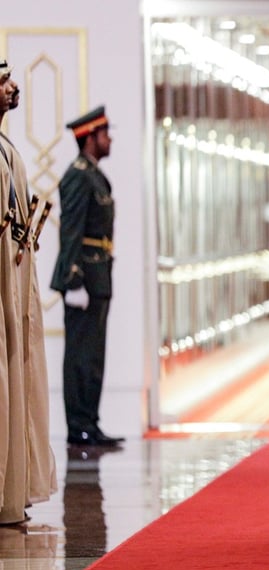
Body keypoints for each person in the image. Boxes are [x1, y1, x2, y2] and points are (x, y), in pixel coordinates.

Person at [0, 57, 56, 526]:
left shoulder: (8, 150)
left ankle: (11, 490)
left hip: (13, 290)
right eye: (4, 81)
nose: (14, 87)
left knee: (18, 380)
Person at [49, 106, 123, 447]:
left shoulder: (93, 174)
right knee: (80, 356)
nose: (109, 140)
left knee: (93, 356)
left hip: (99, 276)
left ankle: (89, 422)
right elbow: (71, 230)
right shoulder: (79, 175)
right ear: (90, 137)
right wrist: (73, 279)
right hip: (85, 279)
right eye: (105, 134)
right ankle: (78, 424)